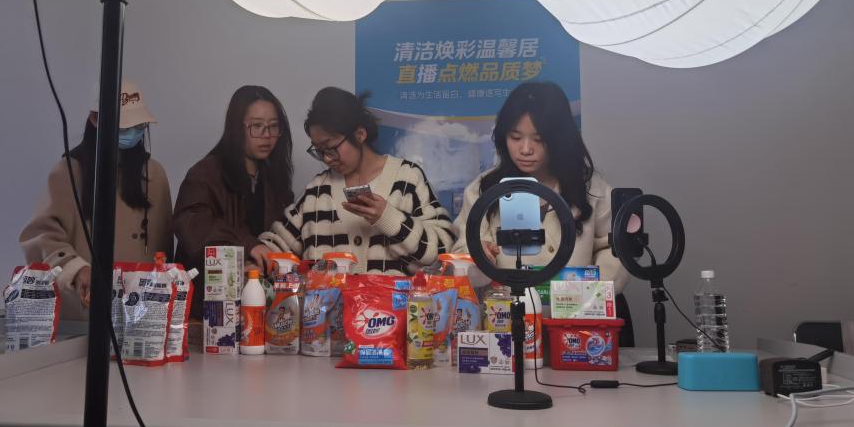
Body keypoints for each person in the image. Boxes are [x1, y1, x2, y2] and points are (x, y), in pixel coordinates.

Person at [20, 80, 173, 320]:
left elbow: (164, 249)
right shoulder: (69, 172)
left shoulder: (154, 174)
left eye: (139, 126)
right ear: (95, 119)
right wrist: (76, 268)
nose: (133, 133)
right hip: (85, 314)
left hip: (143, 314)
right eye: (124, 127)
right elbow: (40, 237)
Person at [452, 81, 627, 291]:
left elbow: (616, 249)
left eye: (539, 139)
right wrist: (477, 255)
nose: (526, 149)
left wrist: (592, 294)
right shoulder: (483, 189)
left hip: (575, 309)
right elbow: (463, 252)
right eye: (515, 137)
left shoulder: (592, 189)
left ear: (559, 138)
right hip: (503, 309)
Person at [258, 87, 455, 272]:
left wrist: (388, 218)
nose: (327, 159)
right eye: (319, 150)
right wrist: (257, 259)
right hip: (327, 299)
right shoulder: (317, 191)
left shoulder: (407, 178)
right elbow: (277, 246)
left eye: (331, 147)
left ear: (360, 134)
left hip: (393, 299)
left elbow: (442, 249)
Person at [173, 86, 294, 317]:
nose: (267, 135)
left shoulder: (275, 178)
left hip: (260, 306)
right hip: (210, 310)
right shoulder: (205, 174)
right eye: (256, 126)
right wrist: (249, 247)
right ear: (236, 128)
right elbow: (193, 227)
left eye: (273, 126)